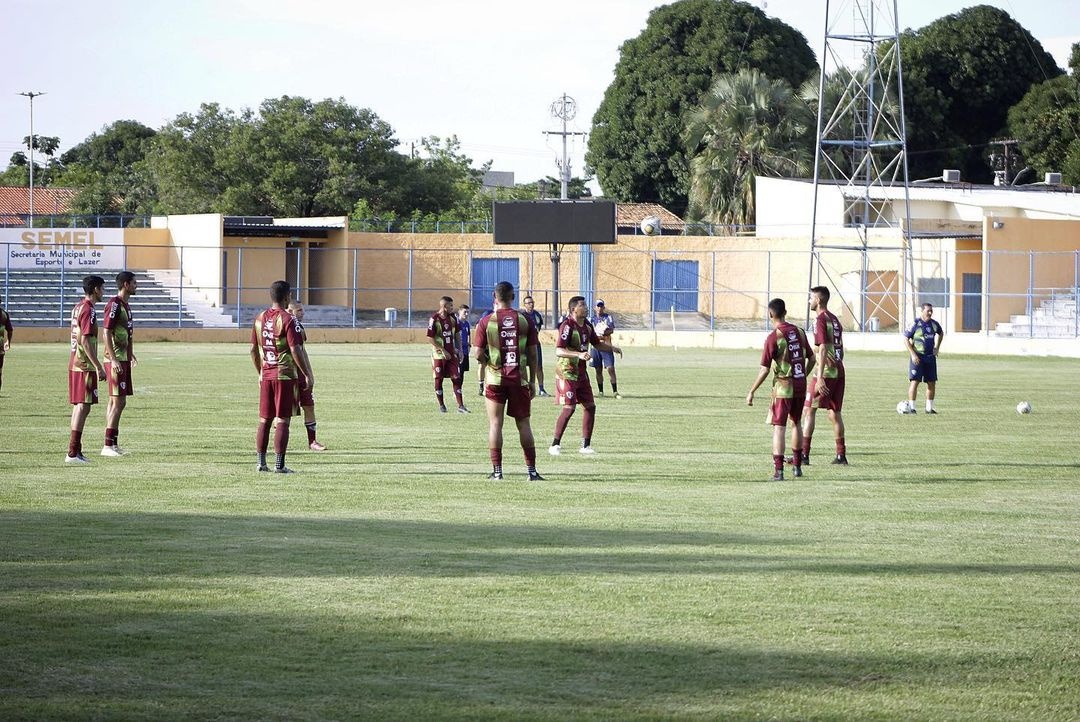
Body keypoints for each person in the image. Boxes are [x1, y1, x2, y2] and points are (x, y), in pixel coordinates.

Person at [472, 280, 542, 480]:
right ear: (513, 297)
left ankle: (497, 472)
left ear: (495, 297)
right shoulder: (525, 320)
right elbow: (533, 355)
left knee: (495, 424)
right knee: (524, 424)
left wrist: (489, 363)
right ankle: (532, 471)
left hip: (495, 379)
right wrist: (533, 381)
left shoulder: (486, 321)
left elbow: (477, 353)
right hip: (519, 379)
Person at [746, 298, 814, 481]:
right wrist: (802, 375)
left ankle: (779, 471)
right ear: (785, 312)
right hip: (800, 385)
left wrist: (752, 391)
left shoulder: (773, 337)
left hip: (783, 387)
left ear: (770, 314)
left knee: (779, 428)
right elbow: (812, 358)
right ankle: (798, 467)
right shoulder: (799, 332)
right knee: (797, 423)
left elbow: (764, 369)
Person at [251, 280, 314, 473]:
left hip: (267, 375)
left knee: (264, 419)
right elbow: (296, 349)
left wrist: (260, 371)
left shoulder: (259, 318)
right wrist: (307, 374)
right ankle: (280, 465)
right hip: (285, 376)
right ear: (287, 297)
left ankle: (261, 463)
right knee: (282, 420)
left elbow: (253, 349)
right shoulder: (289, 319)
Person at [549, 295, 623, 455]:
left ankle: (585, 446)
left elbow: (596, 344)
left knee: (590, 407)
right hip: (566, 372)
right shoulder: (567, 326)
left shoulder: (587, 326)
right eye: (582, 305)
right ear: (573, 309)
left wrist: (612, 348)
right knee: (569, 408)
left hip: (581, 374)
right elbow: (559, 350)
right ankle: (555, 444)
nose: (586, 307)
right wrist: (578, 354)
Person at [801, 286, 847, 465]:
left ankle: (804, 455)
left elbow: (822, 348)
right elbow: (840, 348)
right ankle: (841, 455)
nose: (809, 301)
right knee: (834, 413)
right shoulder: (835, 319)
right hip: (838, 371)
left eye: (811, 298)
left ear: (818, 300)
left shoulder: (820, 319)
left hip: (825, 372)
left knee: (808, 410)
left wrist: (819, 377)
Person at [66, 275, 107, 464]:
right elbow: (85, 340)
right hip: (84, 365)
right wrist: (98, 366)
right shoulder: (89, 310)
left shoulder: (78, 307)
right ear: (96, 289)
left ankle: (75, 451)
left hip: (74, 362)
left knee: (79, 407)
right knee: (84, 406)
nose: (103, 292)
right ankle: (73, 453)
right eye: (102, 288)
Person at [101, 271, 138, 456]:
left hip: (123, 358)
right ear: (125, 284)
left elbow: (127, 333)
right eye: (134, 283)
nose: (136, 286)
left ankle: (112, 444)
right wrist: (113, 358)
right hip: (115, 360)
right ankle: (108, 445)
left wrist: (130, 354)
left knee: (115, 401)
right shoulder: (114, 304)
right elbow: (106, 331)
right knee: (119, 402)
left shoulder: (126, 306)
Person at [287, 301, 327, 450]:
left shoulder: (299, 327)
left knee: (309, 406)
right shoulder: (285, 325)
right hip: (288, 374)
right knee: (284, 411)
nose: (302, 313)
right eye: (299, 310)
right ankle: (280, 441)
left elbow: (303, 351)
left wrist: (309, 373)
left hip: (301, 374)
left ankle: (312, 442)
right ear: (290, 311)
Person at [426, 296, 467, 413]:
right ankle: (442, 405)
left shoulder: (453, 318)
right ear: (444, 307)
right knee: (439, 379)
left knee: (456, 378)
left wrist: (460, 350)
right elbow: (430, 338)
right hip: (439, 355)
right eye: (450, 306)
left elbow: (457, 334)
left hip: (452, 354)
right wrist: (443, 350)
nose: (452, 308)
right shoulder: (434, 319)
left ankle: (461, 406)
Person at [902, 303, 944, 414]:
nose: (930, 313)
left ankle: (929, 409)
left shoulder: (934, 324)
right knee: (915, 382)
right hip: (918, 358)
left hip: (930, 357)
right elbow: (906, 338)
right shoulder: (915, 324)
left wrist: (937, 348)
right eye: (928, 311)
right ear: (922, 311)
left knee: (931, 382)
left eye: (931, 311)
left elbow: (941, 333)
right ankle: (912, 408)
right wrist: (913, 354)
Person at [589, 299, 620, 398]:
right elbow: (590, 333)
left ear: (604, 307)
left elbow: (611, 330)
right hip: (595, 348)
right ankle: (601, 391)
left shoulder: (608, 317)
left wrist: (602, 332)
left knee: (610, 368)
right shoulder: (591, 319)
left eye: (601, 306)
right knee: (598, 370)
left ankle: (615, 391)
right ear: (595, 308)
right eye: (598, 306)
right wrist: (597, 336)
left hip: (606, 346)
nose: (599, 308)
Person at [522, 295, 549, 396]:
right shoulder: (522, 315)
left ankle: (541, 389)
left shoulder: (537, 315)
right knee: (523, 366)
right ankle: (524, 388)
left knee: (539, 366)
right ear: (524, 305)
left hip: (535, 344)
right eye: (528, 303)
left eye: (532, 302)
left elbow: (538, 329)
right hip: (524, 345)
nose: (531, 304)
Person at [457, 304, 472, 386]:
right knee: (458, 370)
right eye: (465, 312)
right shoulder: (456, 323)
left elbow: (469, 334)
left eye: (467, 312)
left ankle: (459, 389)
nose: (466, 314)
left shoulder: (467, 324)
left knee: (462, 372)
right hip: (459, 351)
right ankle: (456, 389)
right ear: (459, 312)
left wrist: (469, 345)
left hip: (465, 351)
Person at [0, 302, 12, 394]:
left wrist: (8, 341)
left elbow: (10, 329)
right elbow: (10, 329)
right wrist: (8, 341)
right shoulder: (4, 314)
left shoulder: (4, 315)